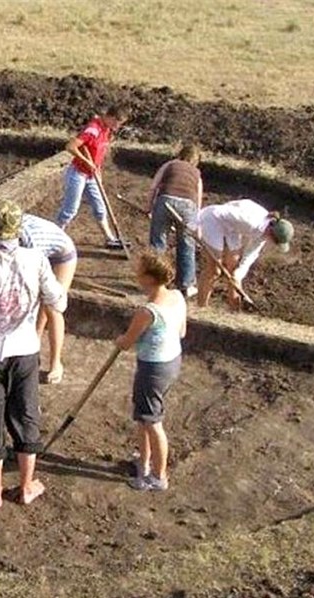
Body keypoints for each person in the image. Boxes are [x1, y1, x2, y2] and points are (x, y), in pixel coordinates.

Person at [0, 199, 67, 509]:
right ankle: (25, 487)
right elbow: (57, 302)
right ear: (17, 228)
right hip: (25, 351)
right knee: (25, 415)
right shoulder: (36, 260)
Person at [115, 251, 187, 492]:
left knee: (153, 422)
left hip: (153, 369)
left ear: (148, 278)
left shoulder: (148, 311)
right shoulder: (177, 296)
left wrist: (119, 340)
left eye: (140, 271)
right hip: (172, 362)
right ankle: (143, 463)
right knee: (144, 417)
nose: (136, 273)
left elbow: (126, 343)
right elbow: (182, 332)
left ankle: (158, 476)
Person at [195, 199, 295, 310]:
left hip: (232, 227)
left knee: (233, 268)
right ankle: (201, 308)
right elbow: (218, 212)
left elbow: (251, 255)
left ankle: (234, 310)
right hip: (212, 220)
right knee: (214, 271)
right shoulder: (250, 222)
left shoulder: (265, 231)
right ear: (271, 233)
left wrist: (238, 275)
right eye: (275, 241)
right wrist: (197, 224)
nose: (273, 244)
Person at [56, 104, 131, 249]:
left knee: (100, 207)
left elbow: (99, 155)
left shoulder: (106, 130)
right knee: (70, 210)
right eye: (118, 122)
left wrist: (98, 172)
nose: (118, 126)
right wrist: (86, 161)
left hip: (93, 175)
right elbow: (70, 146)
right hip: (77, 173)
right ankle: (55, 236)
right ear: (110, 117)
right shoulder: (93, 130)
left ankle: (110, 238)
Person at [18, 213, 77, 384]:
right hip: (45, 252)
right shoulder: (4, 230)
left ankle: (56, 363)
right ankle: (33, 344)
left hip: (62, 256)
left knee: (53, 307)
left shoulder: (30, 241)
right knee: (39, 303)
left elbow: (32, 274)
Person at [147, 143, 204, 297]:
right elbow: (198, 202)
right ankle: (186, 285)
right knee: (186, 244)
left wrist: (149, 207)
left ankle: (155, 281)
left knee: (157, 242)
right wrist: (197, 225)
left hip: (165, 201)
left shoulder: (169, 165)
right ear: (195, 160)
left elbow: (154, 186)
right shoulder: (197, 173)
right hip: (187, 207)